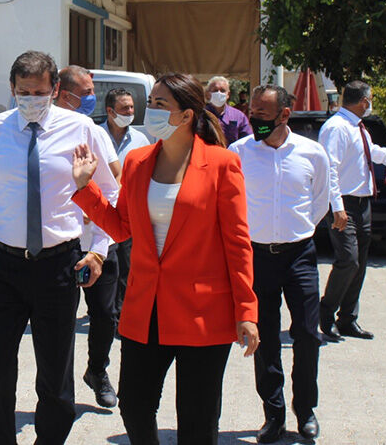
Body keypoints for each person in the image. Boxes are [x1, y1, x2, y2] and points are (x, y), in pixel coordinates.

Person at [71, 72, 259, 445]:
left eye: (160, 104)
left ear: (187, 115)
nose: (151, 110)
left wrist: (246, 312)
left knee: (197, 420)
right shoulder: (138, 161)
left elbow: (238, 243)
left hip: (203, 311)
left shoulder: (222, 164)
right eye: (151, 102)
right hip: (147, 307)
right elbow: (122, 227)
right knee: (134, 406)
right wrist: (85, 186)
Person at [0, 51, 120, 444]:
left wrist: (99, 249)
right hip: (4, 266)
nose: (31, 99)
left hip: (59, 266)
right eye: (23, 92)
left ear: (55, 89)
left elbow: (111, 194)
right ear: (11, 89)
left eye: (39, 92)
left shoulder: (81, 129)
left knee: (55, 371)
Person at [229, 85, 327, 443]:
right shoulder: (239, 152)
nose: (254, 118)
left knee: (307, 334)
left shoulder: (312, 153)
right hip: (255, 257)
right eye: (252, 112)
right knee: (264, 336)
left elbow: (320, 201)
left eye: (262, 114)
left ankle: (306, 409)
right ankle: (274, 413)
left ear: (284, 115)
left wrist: (294, 230)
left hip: (299, 255)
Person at [318, 80, 386, 341]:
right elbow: (330, 169)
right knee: (348, 260)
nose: (370, 104)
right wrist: (337, 207)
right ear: (364, 101)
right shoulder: (337, 128)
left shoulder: (358, 127)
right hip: (344, 204)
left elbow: (371, 152)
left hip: (363, 204)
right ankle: (325, 313)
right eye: (370, 100)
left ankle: (348, 319)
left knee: (359, 264)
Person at [56, 65, 122, 409]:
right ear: (63, 93)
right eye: (86, 92)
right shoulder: (42, 133)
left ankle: (97, 370)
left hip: (98, 242)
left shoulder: (92, 131)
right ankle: (59, 387)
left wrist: (98, 241)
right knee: (59, 321)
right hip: (60, 247)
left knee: (105, 315)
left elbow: (114, 183)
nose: (91, 98)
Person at [100, 88, 151, 314]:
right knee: (105, 266)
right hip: (101, 213)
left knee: (127, 266)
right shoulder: (95, 135)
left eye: (131, 107)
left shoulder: (140, 140)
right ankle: (105, 309)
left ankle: (121, 313)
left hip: (129, 213)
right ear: (110, 111)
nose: (130, 112)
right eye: (124, 108)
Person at [205, 75, 252, 145]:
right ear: (207, 94)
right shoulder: (200, 115)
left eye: (222, 91)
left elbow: (247, 140)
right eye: (215, 90)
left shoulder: (239, 116)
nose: (219, 93)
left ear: (228, 94)